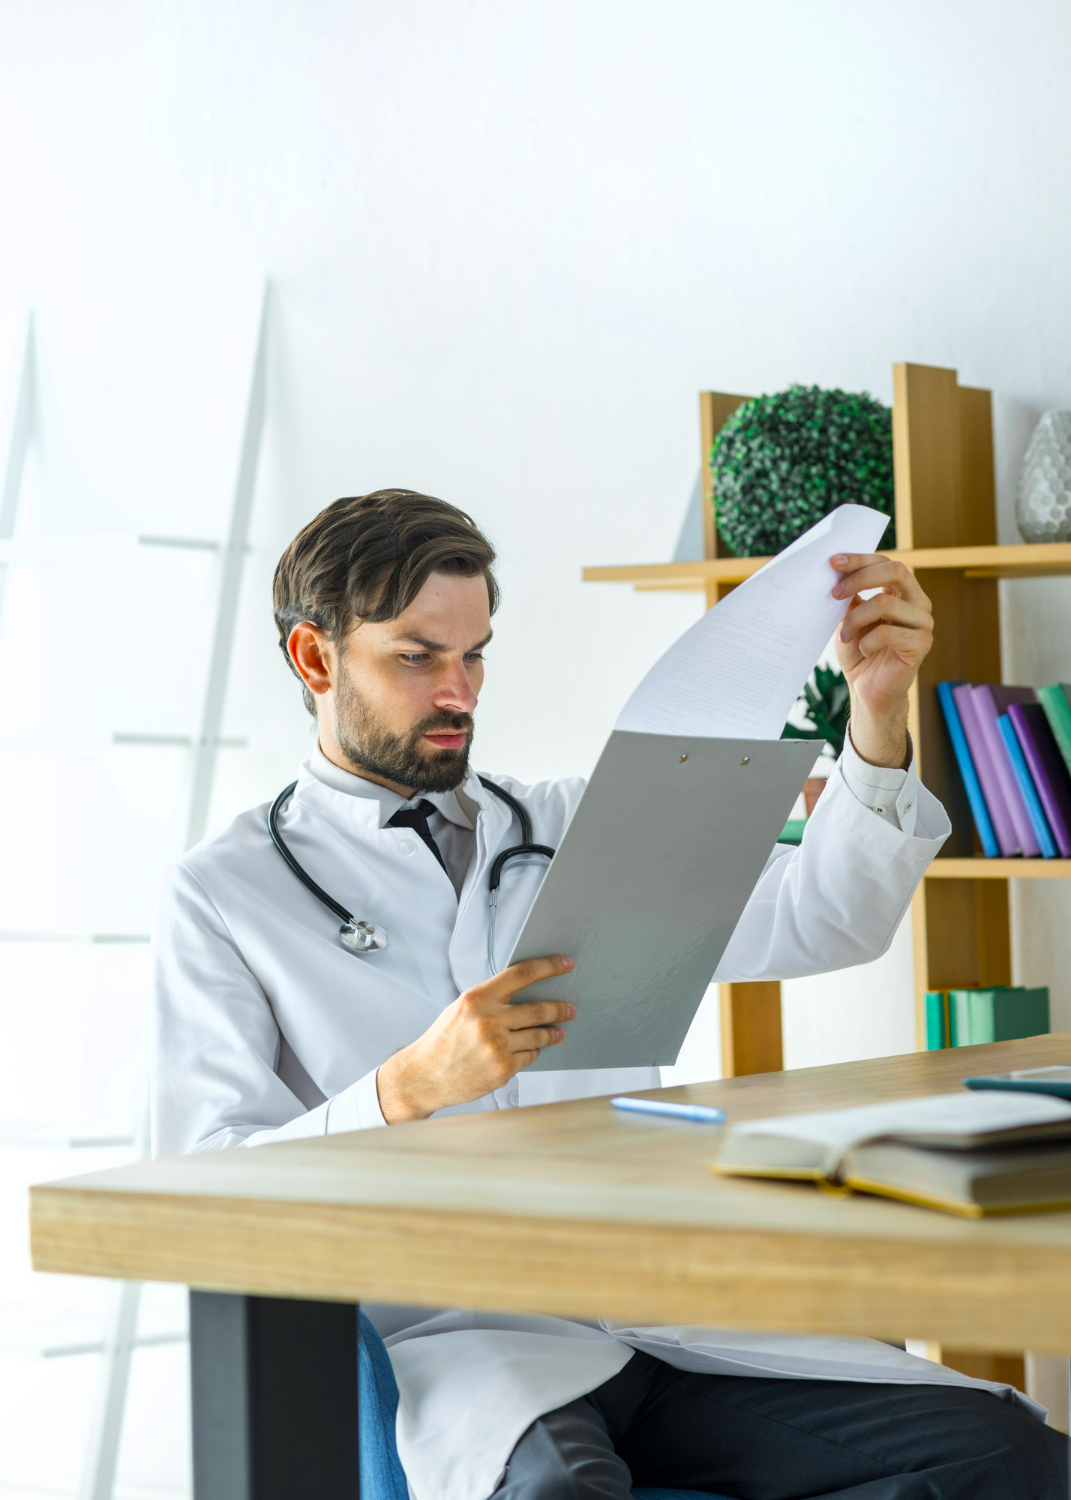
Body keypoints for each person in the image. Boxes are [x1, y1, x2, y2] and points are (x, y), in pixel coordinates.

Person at [153, 489, 1067, 1500]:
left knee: (1011, 1455)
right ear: (316, 660)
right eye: (419, 657)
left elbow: (828, 917)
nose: (460, 691)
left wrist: (879, 710)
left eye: (477, 654)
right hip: (463, 1338)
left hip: (659, 1312)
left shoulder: (570, 824)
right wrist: (403, 1090)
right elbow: (199, 1185)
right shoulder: (225, 892)